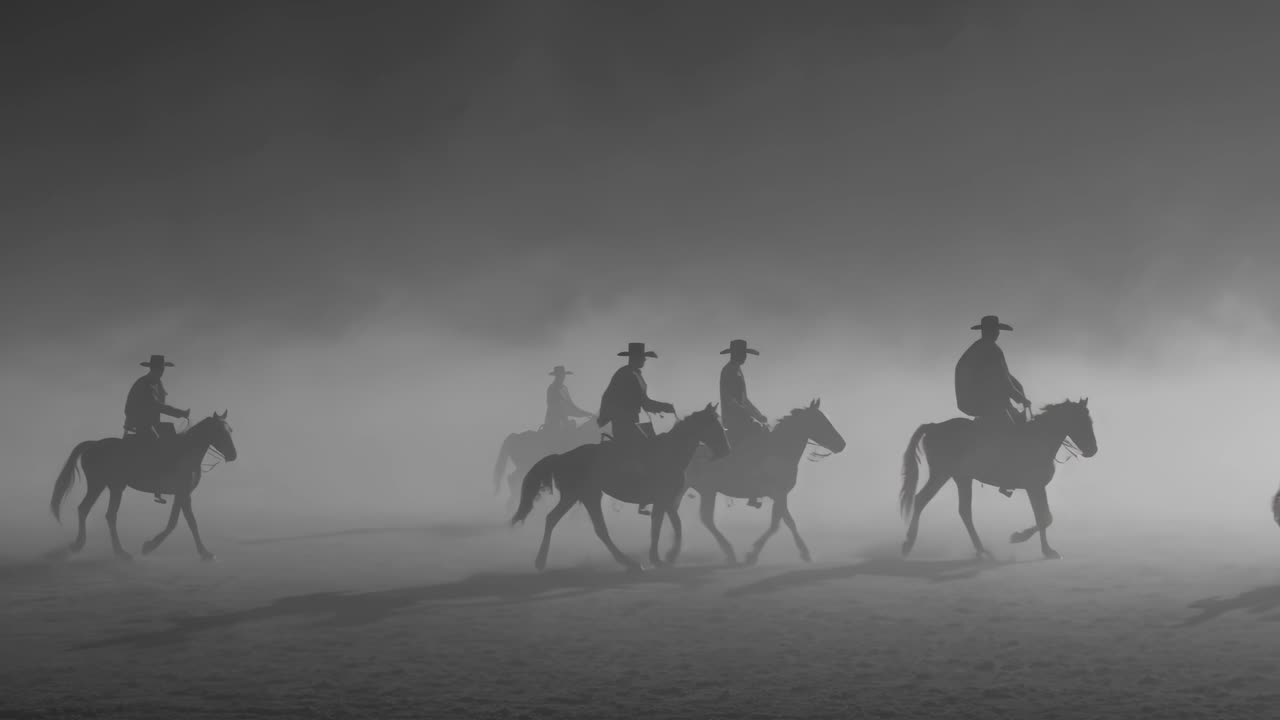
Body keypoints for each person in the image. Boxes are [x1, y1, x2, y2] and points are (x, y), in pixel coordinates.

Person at [954, 316, 1031, 495]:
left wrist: (1019, 391)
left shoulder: (982, 348)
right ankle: (1005, 477)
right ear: (992, 331)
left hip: (980, 399)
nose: (996, 333)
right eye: (995, 330)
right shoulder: (991, 350)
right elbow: (1003, 380)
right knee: (1014, 431)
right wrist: (1020, 398)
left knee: (1014, 419)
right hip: (986, 401)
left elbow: (1006, 376)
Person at [598, 342, 676, 515]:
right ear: (634, 358)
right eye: (642, 358)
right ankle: (641, 493)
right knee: (648, 450)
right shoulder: (626, 375)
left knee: (655, 446)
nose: (644, 361)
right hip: (624, 422)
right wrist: (665, 406)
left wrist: (663, 406)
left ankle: (647, 492)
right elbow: (643, 402)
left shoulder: (635, 374)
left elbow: (643, 401)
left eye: (644, 358)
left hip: (633, 420)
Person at [123, 355, 190, 504]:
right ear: (153, 369)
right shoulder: (145, 384)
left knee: (170, 433)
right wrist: (180, 413)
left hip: (150, 422)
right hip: (139, 423)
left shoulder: (156, 383)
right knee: (163, 443)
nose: (161, 371)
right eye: (159, 369)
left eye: (162, 369)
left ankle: (162, 480)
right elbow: (156, 406)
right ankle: (158, 482)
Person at [719, 339, 769, 508]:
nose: (744, 358)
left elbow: (744, 400)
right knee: (755, 443)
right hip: (734, 419)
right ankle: (751, 489)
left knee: (762, 434)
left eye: (744, 355)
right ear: (735, 354)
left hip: (741, 417)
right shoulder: (728, 371)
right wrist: (750, 416)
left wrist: (759, 415)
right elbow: (730, 400)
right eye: (742, 354)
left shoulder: (737, 370)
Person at [544, 366, 594, 433]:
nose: (563, 377)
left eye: (563, 375)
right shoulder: (552, 389)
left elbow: (572, 406)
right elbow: (553, 407)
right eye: (560, 375)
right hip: (554, 423)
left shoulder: (564, 388)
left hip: (564, 422)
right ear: (556, 376)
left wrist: (586, 413)